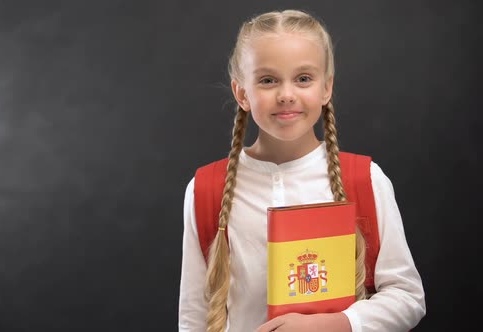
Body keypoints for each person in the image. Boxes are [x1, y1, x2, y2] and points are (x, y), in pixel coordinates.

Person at [178, 9, 426, 332]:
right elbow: (194, 318)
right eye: (268, 80)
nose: (286, 95)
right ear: (242, 93)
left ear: (326, 88)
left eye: (303, 78)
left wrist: (337, 324)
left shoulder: (365, 179)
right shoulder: (205, 190)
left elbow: (408, 296)